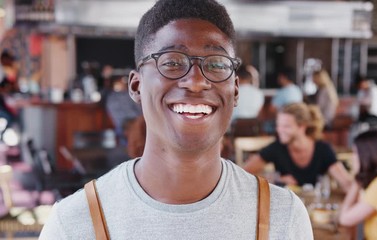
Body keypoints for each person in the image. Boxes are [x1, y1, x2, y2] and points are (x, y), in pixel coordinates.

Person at [40, 1, 313, 239]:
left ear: (236, 90)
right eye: (171, 62)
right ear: (136, 86)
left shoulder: (283, 216)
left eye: (216, 64)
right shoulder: (75, 224)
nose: (195, 82)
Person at [244, 102, 352, 190]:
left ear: (302, 127)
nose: (279, 130)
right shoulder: (276, 148)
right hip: (286, 207)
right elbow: (244, 173)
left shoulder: (322, 149)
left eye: (286, 126)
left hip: (313, 208)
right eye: (278, 125)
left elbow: (346, 183)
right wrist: (275, 178)